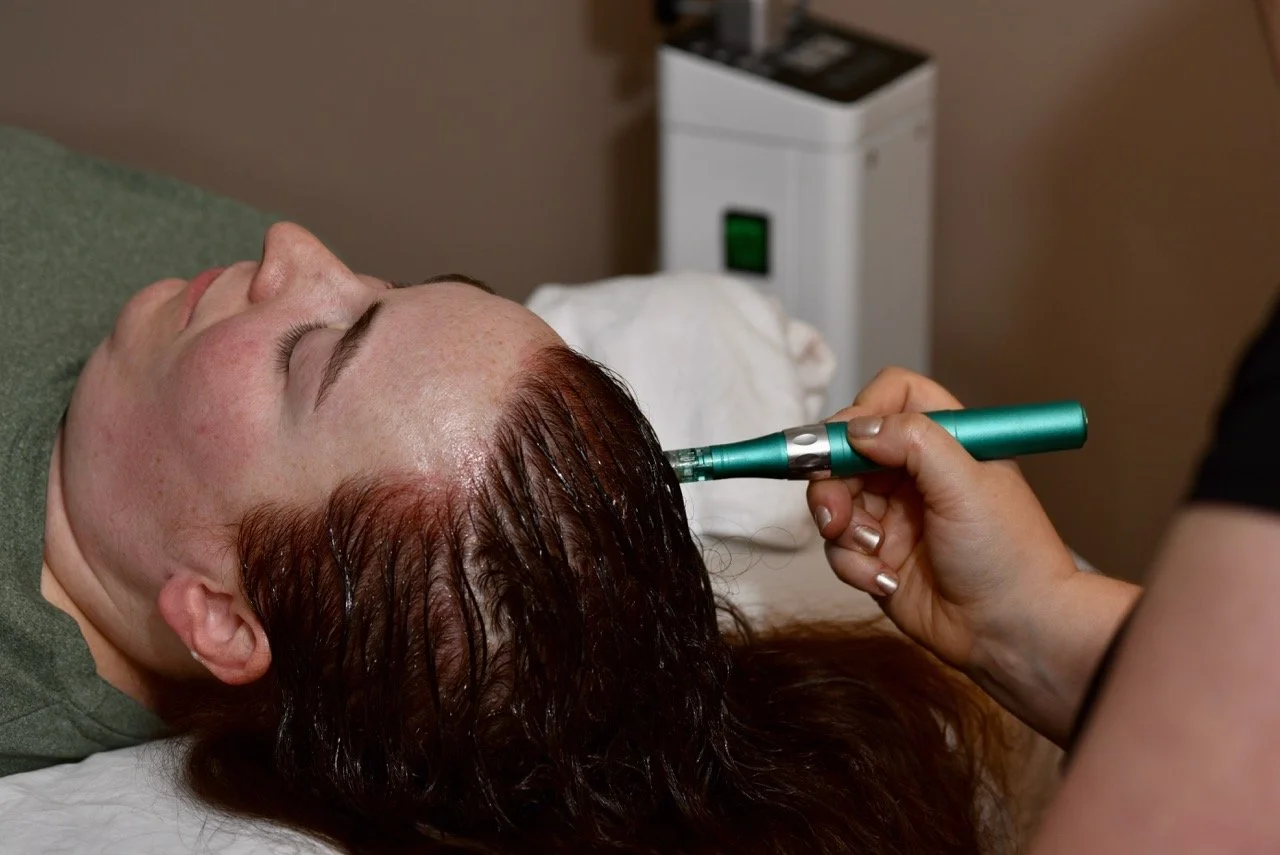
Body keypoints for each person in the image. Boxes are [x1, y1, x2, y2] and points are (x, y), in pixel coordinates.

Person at [7, 220, 1028, 853]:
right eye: (379, 290)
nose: (290, 246)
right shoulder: (201, 361)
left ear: (225, 619)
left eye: (309, 357)